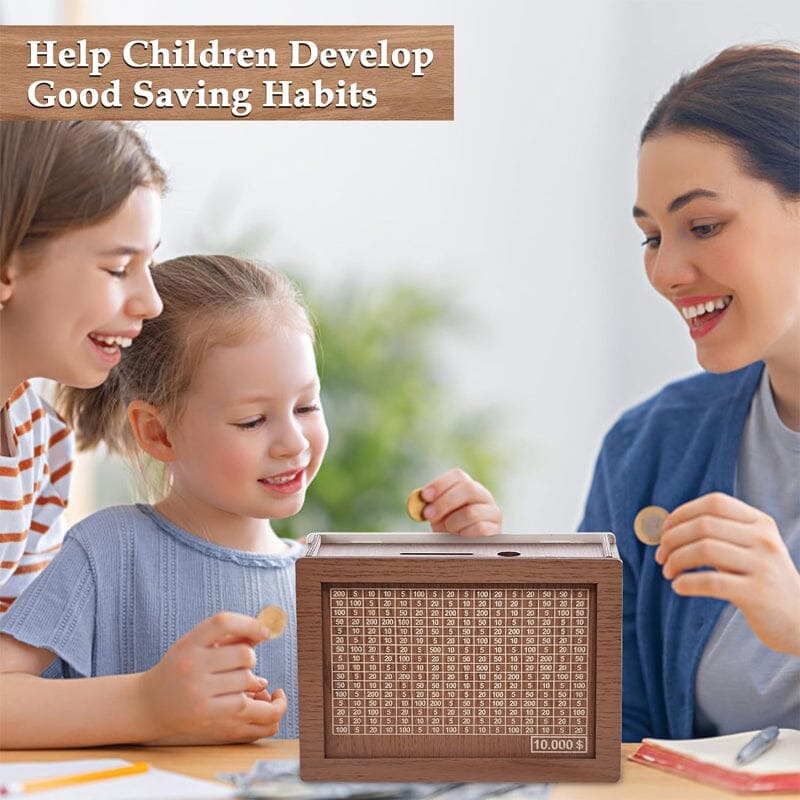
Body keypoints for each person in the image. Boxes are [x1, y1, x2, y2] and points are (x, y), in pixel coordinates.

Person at [0, 254, 502, 747]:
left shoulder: (332, 583)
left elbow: (459, 718)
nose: (294, 443)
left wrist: (473, 573)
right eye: (252, 421)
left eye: (306, 405)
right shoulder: (107, 553)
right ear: (158, 433)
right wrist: (149, 706)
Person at [579, 45, 800, 742]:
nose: (668, 271)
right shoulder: (650, 448)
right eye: (651, 237)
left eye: (702, 226)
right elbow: (608, 728)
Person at [0, 121, 165, 611]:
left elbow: (19, 661)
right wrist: (145, 692)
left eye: (149, 267)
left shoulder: (42, 441)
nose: (152, 302)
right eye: (118, 269)